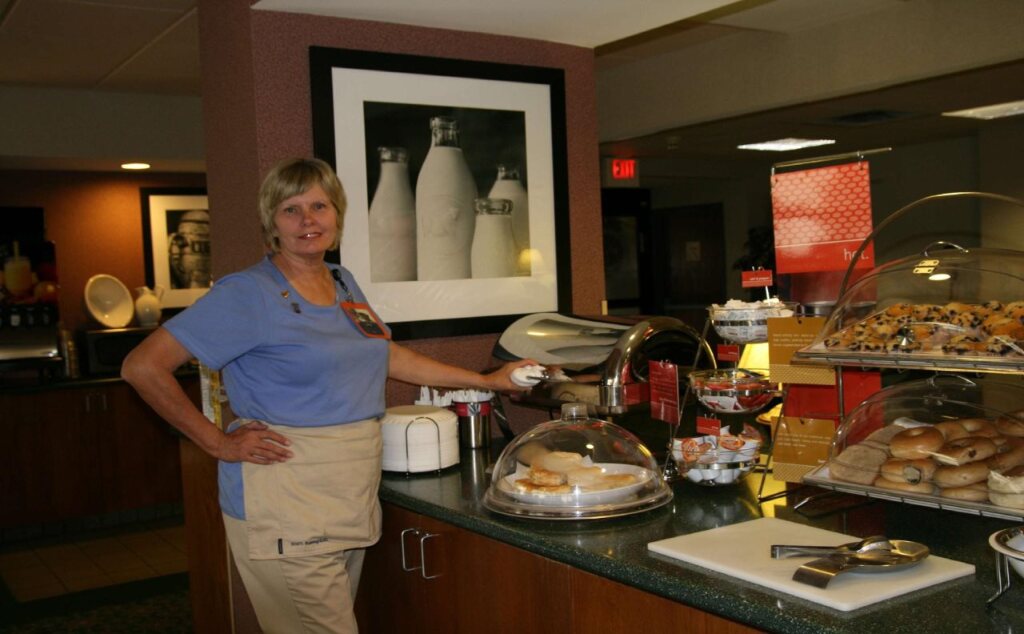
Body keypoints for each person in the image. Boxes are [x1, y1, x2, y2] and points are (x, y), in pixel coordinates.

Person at [121, 157, 533, 633]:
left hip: (349, 489)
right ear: (272, 222)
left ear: (337, 213)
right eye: (290, 209)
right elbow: (142, 367)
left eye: (318, 206)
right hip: (288, 491)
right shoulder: (248, 293)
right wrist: (217, 443)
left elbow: (385, 355)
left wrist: (489, 380)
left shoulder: (340, 282)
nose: (307, 220)